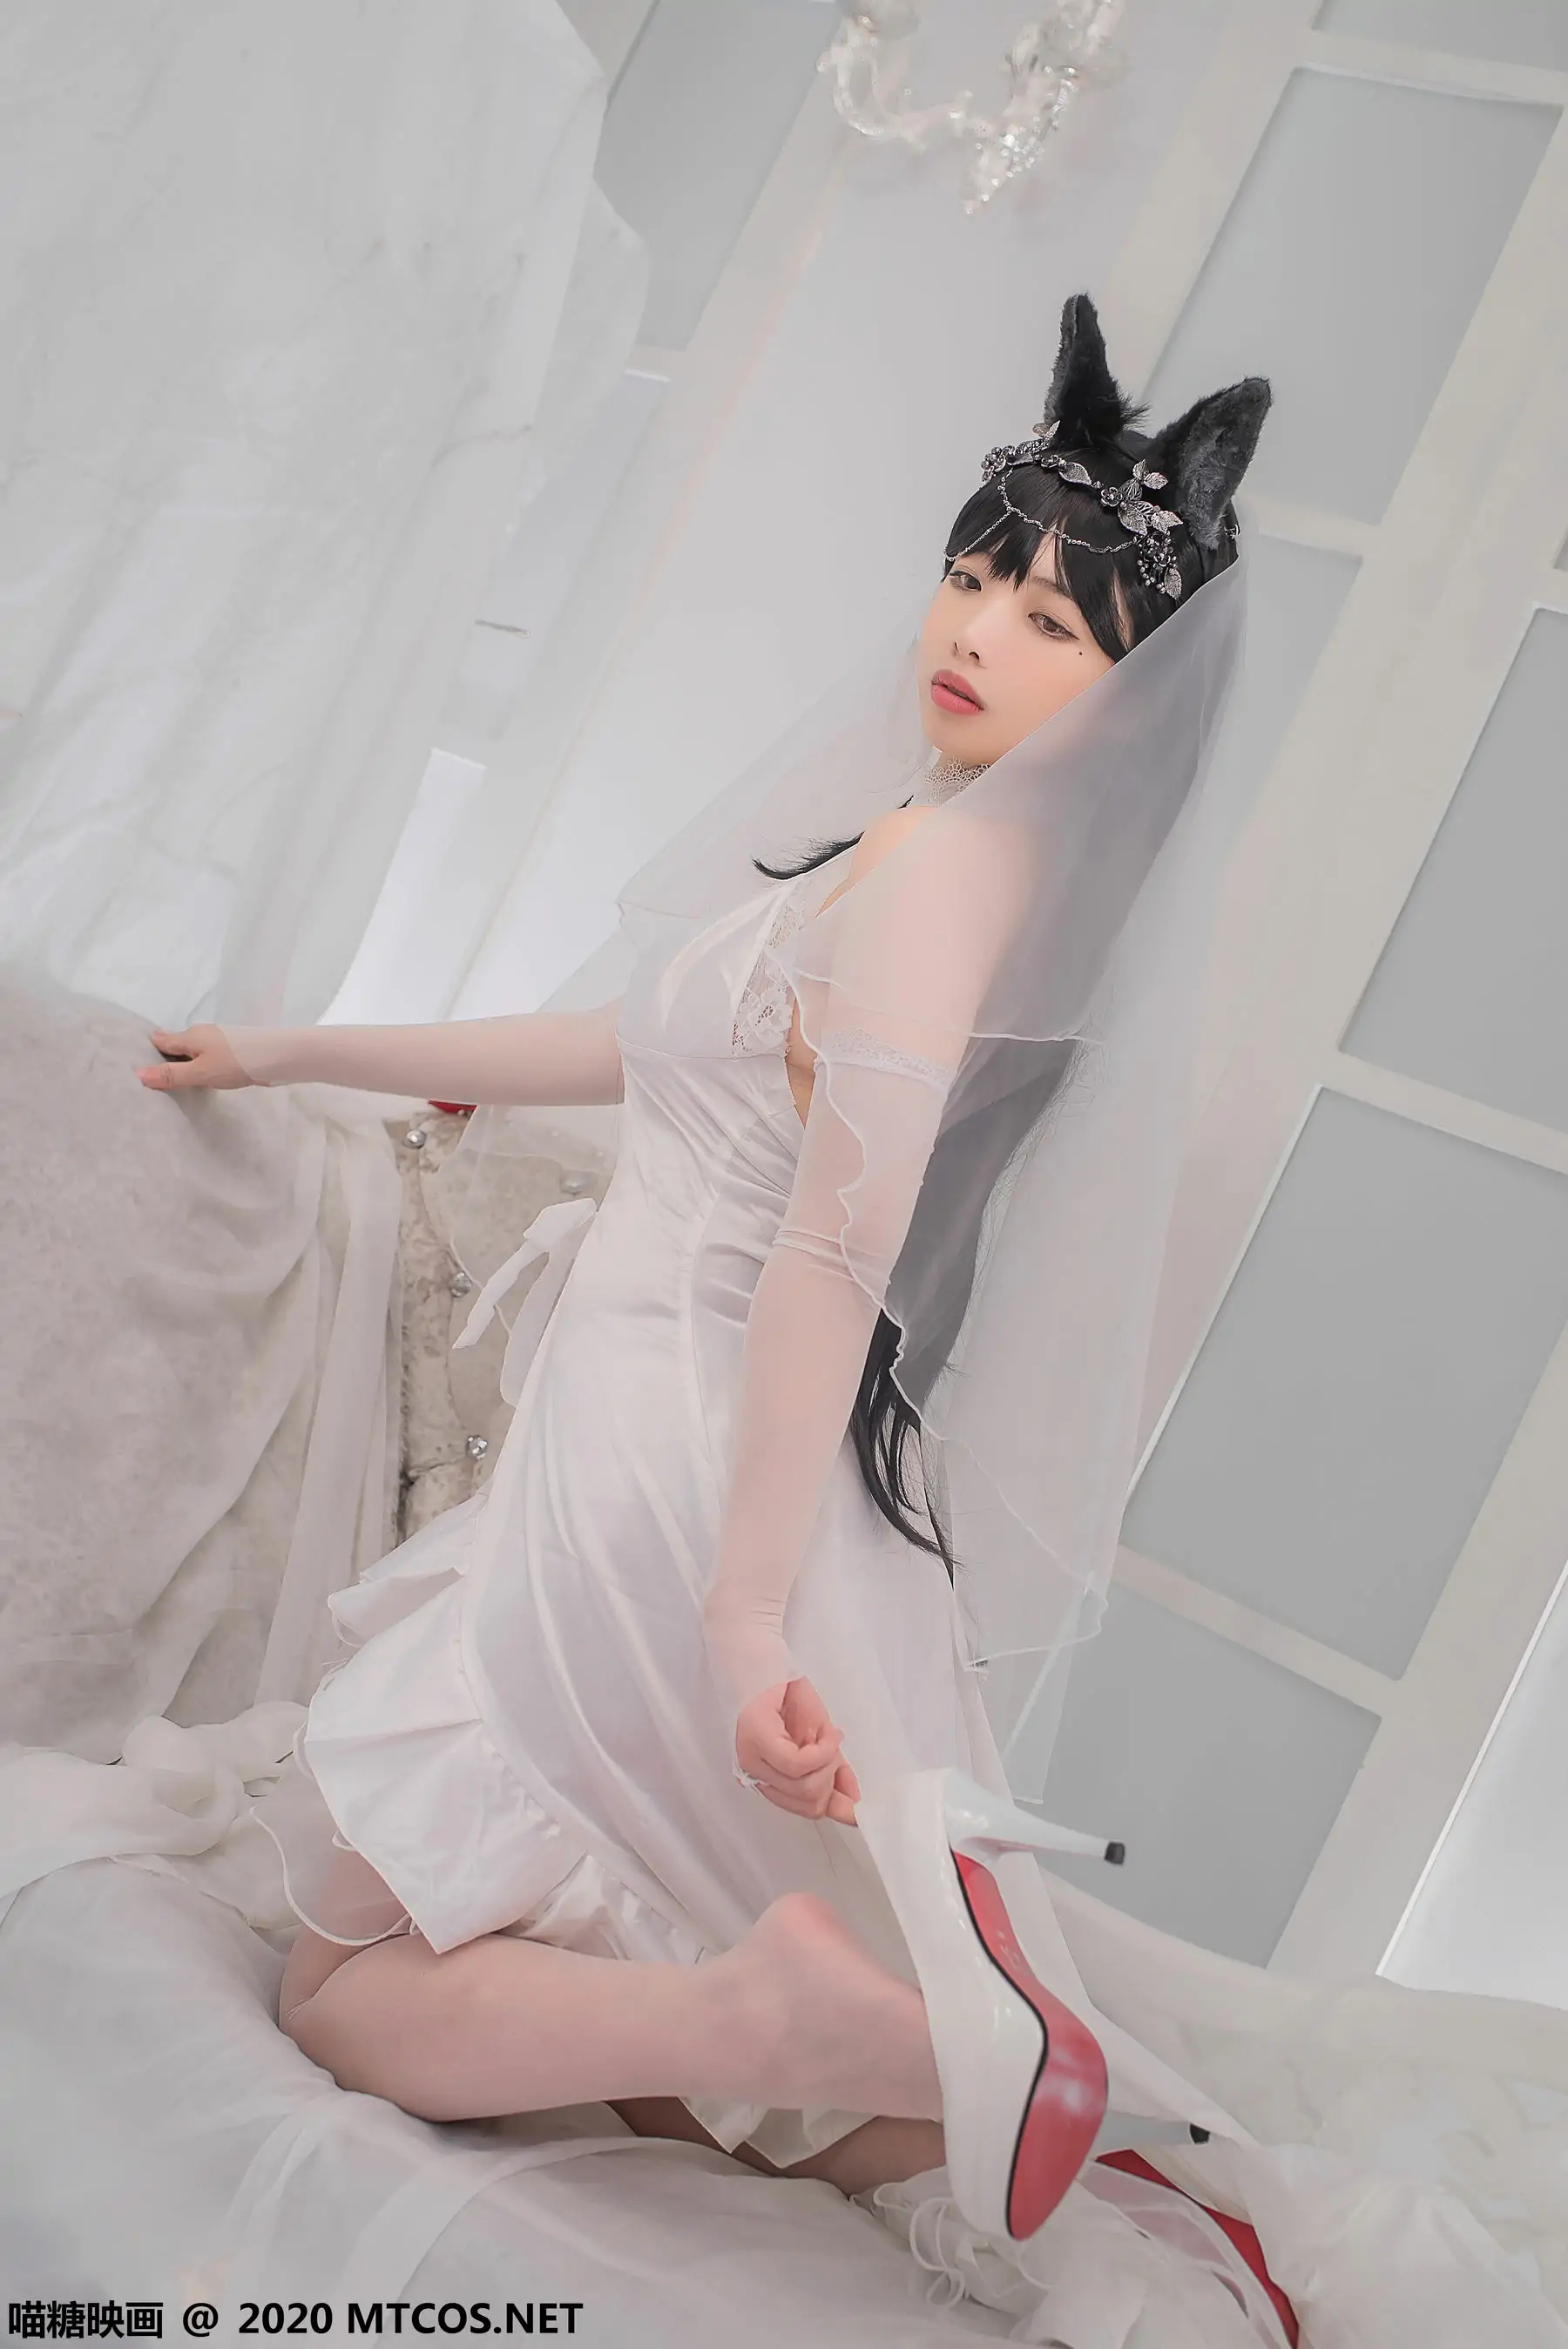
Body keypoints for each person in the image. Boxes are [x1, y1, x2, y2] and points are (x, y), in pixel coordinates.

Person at [132, 300, 1565, 2346]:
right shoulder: (951, 856)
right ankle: (860, 2057)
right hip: (679, 1444)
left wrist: (739, 1618)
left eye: (1052, 620)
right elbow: (624, 1045)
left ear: (1131, 694)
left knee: (341, 1986)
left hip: (676, 1458)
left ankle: (771, 2018)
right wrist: (294, 1048)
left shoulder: (941, 876)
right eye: (975, 575)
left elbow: (835, 1253)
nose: (974, 629)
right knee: (609, 1957)